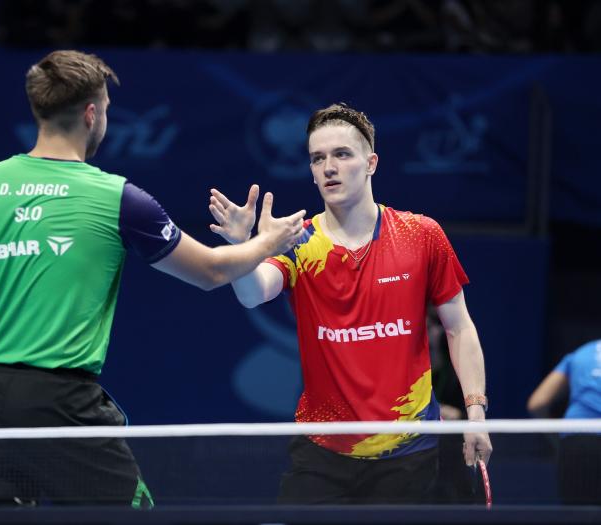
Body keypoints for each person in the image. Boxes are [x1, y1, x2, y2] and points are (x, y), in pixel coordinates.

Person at [0, 49, 305, 507]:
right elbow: (211, 272)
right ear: (92, 114)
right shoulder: (117, 197)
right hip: (64, 406)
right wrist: (268, 242)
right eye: (107, 108)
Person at [208, 102, 491, 504]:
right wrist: (244, 247)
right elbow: (253, 294)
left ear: (371, 163)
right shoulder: (298, 243)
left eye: (342, 154)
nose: (329, 168)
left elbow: (459, 326)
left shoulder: (421, 235)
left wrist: (475, 413)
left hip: (410, 450)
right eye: (317, 158)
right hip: (322, 451)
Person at [527, 339, 601, 505]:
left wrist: (557, 440)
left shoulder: (580, 353)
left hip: (576, 442)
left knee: (577, 513)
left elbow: (537, 403)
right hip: (578, 441)